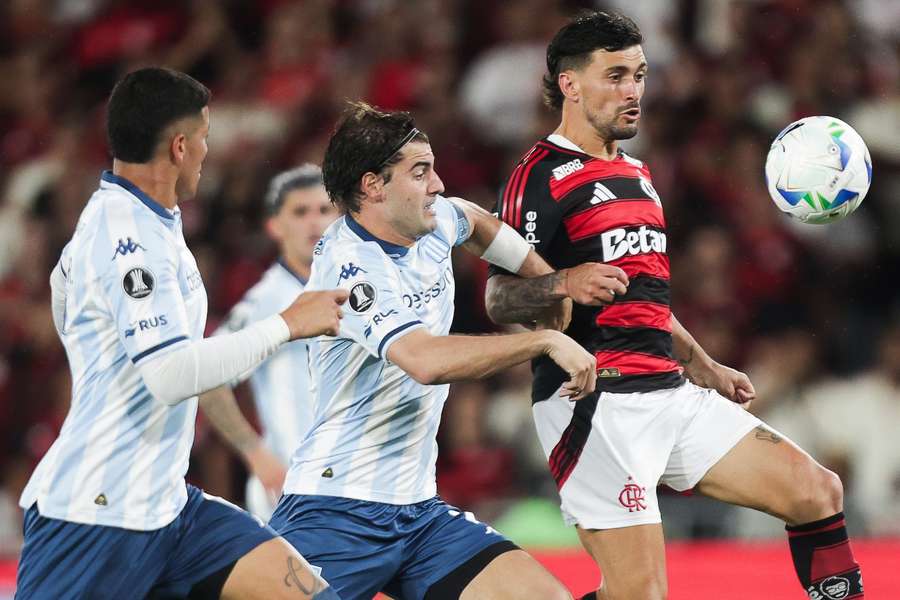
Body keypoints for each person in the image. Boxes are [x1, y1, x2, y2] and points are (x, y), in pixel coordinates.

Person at [484, 12, 864, 600]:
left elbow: (647, 297)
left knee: (816, 490)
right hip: (594, 403)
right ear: (570, 84)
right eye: (615, 76)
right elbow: (498, 297)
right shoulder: (540, 177)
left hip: (668, 390)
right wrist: (564, 281)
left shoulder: (636, 173)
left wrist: (703, 363)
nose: (633, 91)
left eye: (639, 75)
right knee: (641, 595)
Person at [15, 67, 344, 600]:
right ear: (181, 146)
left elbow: (62, 293)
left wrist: (99, 362)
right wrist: (287, 324)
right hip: (98, 516)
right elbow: (170, 376)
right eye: (206, 137)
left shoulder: (131, 216)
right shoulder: (131, 238)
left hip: (170, 508)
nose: (209, 151)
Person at [268, 101, 596, 600]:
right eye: (420, 173)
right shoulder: (350, 267)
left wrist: (546, 281)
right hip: (336, 509)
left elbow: (475, 221)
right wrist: (545, 339)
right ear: (372, 185)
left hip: (420, 515)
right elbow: (423, 360)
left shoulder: (432, 220)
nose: (438, 185)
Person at [200, 164, 337, 521]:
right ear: (275, 226)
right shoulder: (267, 298)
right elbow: (207, 375)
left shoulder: (357, 287)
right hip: (293, 490)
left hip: (355, 484)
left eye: (324, 210)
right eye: (300, 212)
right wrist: (255, 453)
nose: (314, 223)